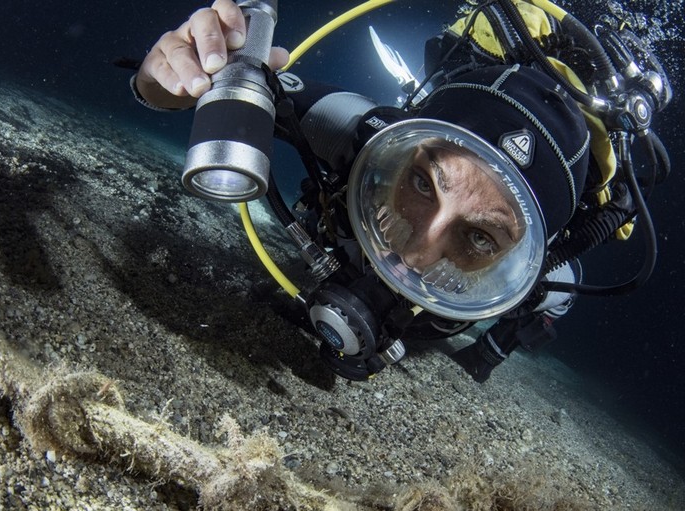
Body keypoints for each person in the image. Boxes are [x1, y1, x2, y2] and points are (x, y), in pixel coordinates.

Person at [128, 0, 670, 382]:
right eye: (422, 181)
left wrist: (496, 345)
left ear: (524, 261)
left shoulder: (543, 280)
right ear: (392, 150)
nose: (414, 257)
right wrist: (170, 82)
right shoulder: (355, 132)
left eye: (482, 237)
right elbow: (220, 88)